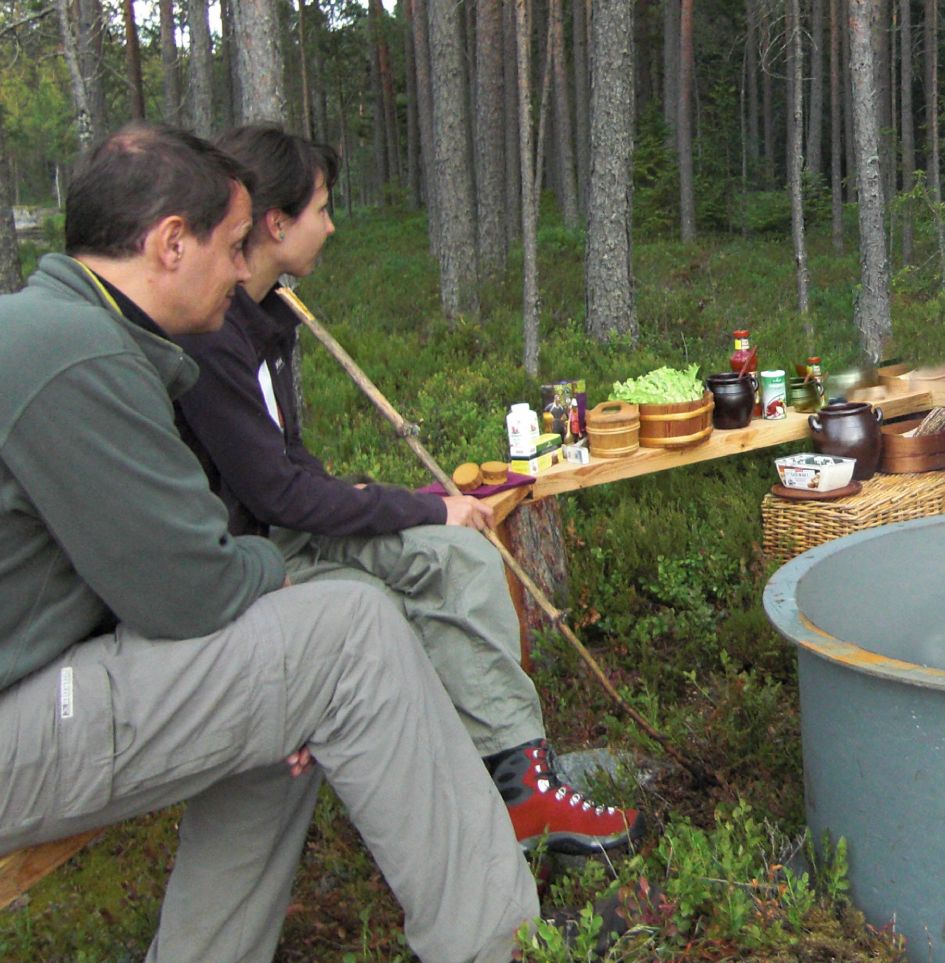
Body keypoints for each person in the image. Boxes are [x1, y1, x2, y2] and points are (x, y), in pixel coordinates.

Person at [0, 126, 539, 963]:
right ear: (171, 242)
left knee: (281, 696)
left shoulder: (50, 331)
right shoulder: (77, 358)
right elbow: (195, 588)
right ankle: (501, 948)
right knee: (347, 633)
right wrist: (263, 571)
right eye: (231, 244)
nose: (240, 270)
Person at [172, 122, 638, 854]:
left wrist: (416, 509)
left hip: (285, 528)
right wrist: (422, 502)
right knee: (394, 599)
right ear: (275, 222)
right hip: (253, 560)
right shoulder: (208, 334)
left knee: (462, 557)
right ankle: (455, 812)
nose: (329, 226)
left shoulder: (267, 315)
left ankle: (524, 788)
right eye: (321, 208)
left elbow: (288, 463)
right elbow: (278, 495)